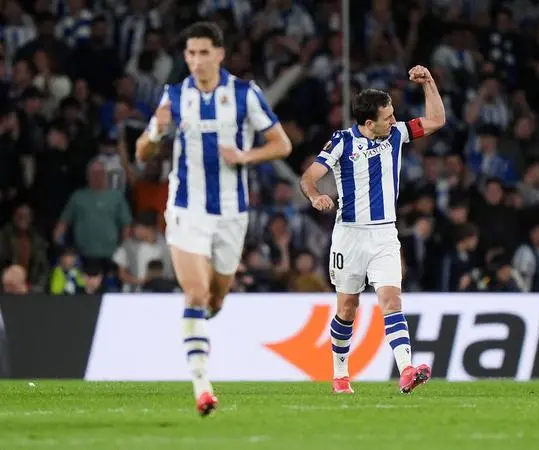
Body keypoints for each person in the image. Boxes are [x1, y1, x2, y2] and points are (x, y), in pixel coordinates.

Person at [134, 22, 292, 416]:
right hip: (186, 210)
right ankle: (202, 386)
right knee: (195, 294)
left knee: (216, 299)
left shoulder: (244, 94)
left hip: (232, 215)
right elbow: (141, 153)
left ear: (220, 54)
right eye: (191, 53)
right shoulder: (174, 95)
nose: (197, 60)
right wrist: (155, 133)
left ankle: (197, 329)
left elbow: (282, 144)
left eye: (204, 52)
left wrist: (246, 156)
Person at [299, 65, 445, 395]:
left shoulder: (396, 135)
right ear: (369, 123)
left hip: (384, 235)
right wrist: (316, 195)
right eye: (388, 117)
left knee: (391, 300)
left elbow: (436, 120)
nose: (394, 120)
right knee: (347, 308)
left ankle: (406, 370)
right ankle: (340, 375)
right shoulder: (341, 142)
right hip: (349, 236)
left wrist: (429, 83)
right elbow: (308, 177)